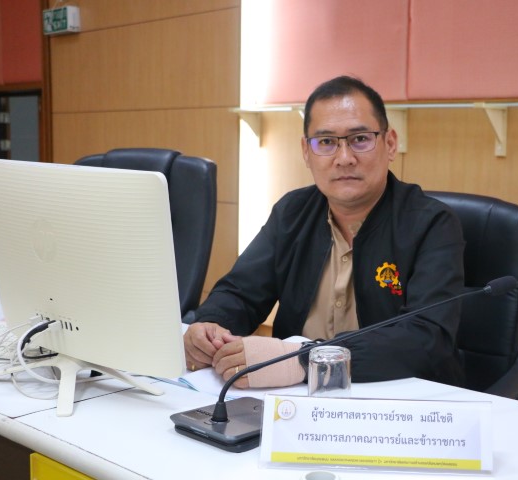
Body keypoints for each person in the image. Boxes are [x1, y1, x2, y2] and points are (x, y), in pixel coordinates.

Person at [184, 75, 466, 389]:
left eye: (360, 139)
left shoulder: (432, 224)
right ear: (306, 152)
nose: (344, 158)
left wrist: (308, 360)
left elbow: (427, 337)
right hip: (296, 397)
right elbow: (240, 292)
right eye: (326, 142)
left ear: (389, 144)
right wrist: (210, 325)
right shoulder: (292, 213)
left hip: (397, 397)